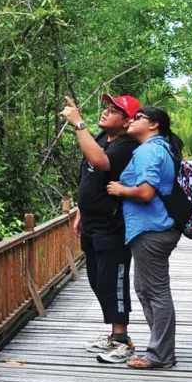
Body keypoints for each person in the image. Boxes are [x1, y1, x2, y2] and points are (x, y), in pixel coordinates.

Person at [59, 94, 140, 363]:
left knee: (114, 280)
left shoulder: (128, 145)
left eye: (114, 110)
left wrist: (79, 124)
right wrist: (80, 211)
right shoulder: (103, 139)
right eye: (107, 107)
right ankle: (113, 336)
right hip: (92, 224)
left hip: (112, 225)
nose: (106, 112)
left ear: (128, 121)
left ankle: (123, 339)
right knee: (97, 280)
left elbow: (100, 163)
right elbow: (88, 175)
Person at [106, 105, 182, 369]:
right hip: (153, 229)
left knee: (156, 292)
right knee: (145, 289)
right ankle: (159, 349)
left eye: (139, 117)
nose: (132, 120)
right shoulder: (160, 148)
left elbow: (146, 192)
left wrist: (119, 190)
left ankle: (161, 354)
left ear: (153, 125)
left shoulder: (149, 150)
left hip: (153, 229)